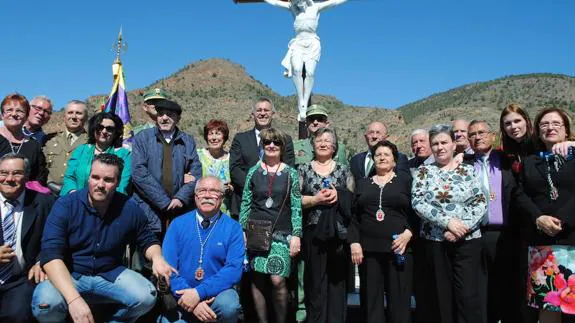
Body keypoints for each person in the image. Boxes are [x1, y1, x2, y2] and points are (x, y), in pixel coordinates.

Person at [32, 153, 176, 323]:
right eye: (95, 177)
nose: (100, 184)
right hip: (71, 272)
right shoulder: (66, 205)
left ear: (118, 182)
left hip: (110, 272)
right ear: (88, 177)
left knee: (146, 297)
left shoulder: (129, 208)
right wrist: (74, 300)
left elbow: (147, 239)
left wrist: (157, 258)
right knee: (45, 304)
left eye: (108, 180)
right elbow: (51, 254)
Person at [411, 124, 486, 323]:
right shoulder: (423, 172)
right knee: (440, 297)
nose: (439, 147)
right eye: (435, 143)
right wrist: (448, 222)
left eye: (444, 142)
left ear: (454, 144)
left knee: (468, 296)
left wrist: (461, 227)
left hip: (467, 242)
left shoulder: (468, 171)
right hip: (435, 242)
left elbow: (480, 201)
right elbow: (418, 202)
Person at [468, 120, 541, 323]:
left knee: (509, 289)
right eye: (472, 134)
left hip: (506, 234)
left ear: (492, 136)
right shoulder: (463, 163)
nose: (477, 137)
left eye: (482, 132)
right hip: (475, 235)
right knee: (481, 290)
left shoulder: (507, 160)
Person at [348, 140, 416, 323]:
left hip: (399, 250)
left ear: (395, 161)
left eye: (387, 154)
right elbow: (354, 217)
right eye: (378, 155)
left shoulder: (406, 182)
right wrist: (354, 242)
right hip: (369, 253)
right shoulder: (363, 183)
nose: (382, 157)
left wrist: (408, 233)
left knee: (400, 304)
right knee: (371, 304)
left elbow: (417, 214)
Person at [160, 176, 244, 323]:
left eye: (213, 191)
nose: (207, 195)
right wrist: (192, 300)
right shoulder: (177, 224)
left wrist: (199, 293)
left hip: (217, 294)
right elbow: (168, 267)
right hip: (181, 295)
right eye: (202, 190)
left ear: (222, 197)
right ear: (195, 196)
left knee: (229, 306)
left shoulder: (233, 228)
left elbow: (234, 269)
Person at [240, 128, 302, 323]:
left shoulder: (291, 173)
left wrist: (297, 235)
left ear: (282, 147)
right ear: (262, 146)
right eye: (267, 142)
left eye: (276, 142)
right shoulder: (253, 172)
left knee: (277, 279)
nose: (272, 146)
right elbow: (246, 203)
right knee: (258, 281)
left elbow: (296, 206)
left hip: (282, 233)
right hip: (256, 231)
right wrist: (242, 231)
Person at [520, 107, 575, 323]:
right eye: (544, 124)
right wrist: (538, 217)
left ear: (566, 129)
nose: (550, 128)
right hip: (542, 244)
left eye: (556, 124)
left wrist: (565, 218)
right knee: (548, 305)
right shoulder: (530, 162)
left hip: (572, 237)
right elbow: (520, 194)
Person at [298, 127, 353, 323]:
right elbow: (295, 200)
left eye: (328, 141)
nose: (323, 143)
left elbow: (353, 199)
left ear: (334, 147)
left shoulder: (344, 170)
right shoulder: (303, 169)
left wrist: (340, 195)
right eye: (319, 140)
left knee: (337, 281)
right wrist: (316, 199)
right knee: (315, 282)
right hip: (313, 233)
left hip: (338, 233)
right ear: (313, 144)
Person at [262, 0, 348, 121]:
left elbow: (334, 2)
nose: (299, 4)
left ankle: (305, 100)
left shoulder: (316, 7)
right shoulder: (293, 9)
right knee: (296, 70)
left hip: (312, 43)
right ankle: (300, 101)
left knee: (309, 73)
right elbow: (276, 3)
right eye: (296, 2)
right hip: (298, 43)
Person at [131, 98, 202, 238]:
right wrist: (164, 202)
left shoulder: (188, 141)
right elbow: (138, 173)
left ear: (178, 118)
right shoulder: (142, 138)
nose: (164, 118)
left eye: (169, 114)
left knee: (176, 256)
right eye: (161, 114)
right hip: (148, 210)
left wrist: (181, 198)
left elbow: (196, 173)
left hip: (180, 211)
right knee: (148, 256)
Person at [0, 153, 54, 323]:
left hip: (22, 279)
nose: (9, 179)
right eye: (3, 173)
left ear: (27, 176)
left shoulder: (45, 203)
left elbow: (56, 239)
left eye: (17, 173)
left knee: (18, 316)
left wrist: (42, 262)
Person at [230, 97, 295, 219]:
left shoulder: (286, 139)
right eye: (259, 110)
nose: (263, 113)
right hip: (244, 206)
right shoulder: (240, 139)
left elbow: (288, 168)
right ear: (253, 114)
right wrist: (255, 188)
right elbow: (235, 168)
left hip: (276, 207)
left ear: (273, 114)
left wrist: (270, 190)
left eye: (266, 110)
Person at [60, 112, 131, 196]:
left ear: (116, 132)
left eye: (109, 129)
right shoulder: (81, 150)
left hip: (108, 203)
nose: (104, 131)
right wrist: (76, 196)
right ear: (93, 129)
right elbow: (69, 177)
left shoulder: (124, 155)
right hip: (76, 199)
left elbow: (122, 185)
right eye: (100, 127)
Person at [0, 94, 48, 184]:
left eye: (19, 111)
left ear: (26, 116)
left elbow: (39, 176)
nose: (14, 114)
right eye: (9, 110)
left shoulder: (34, 145)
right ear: (2, 115)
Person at [43, 100, 88, 195]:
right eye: (70, 113)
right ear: (64, 117)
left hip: (76, 195)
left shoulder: (91, 142)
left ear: (86, 118)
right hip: (48, 194)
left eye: (79, 113)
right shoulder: (49, 140)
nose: (74, 117)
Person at [197, 119, 232, 214]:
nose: (214, 138)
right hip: (201, 209)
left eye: (218, 133)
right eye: (210, 134)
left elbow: (235, 184)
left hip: (224, 211)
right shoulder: (198, 156)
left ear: (224, 137)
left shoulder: (231, 159)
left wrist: (230, 188)